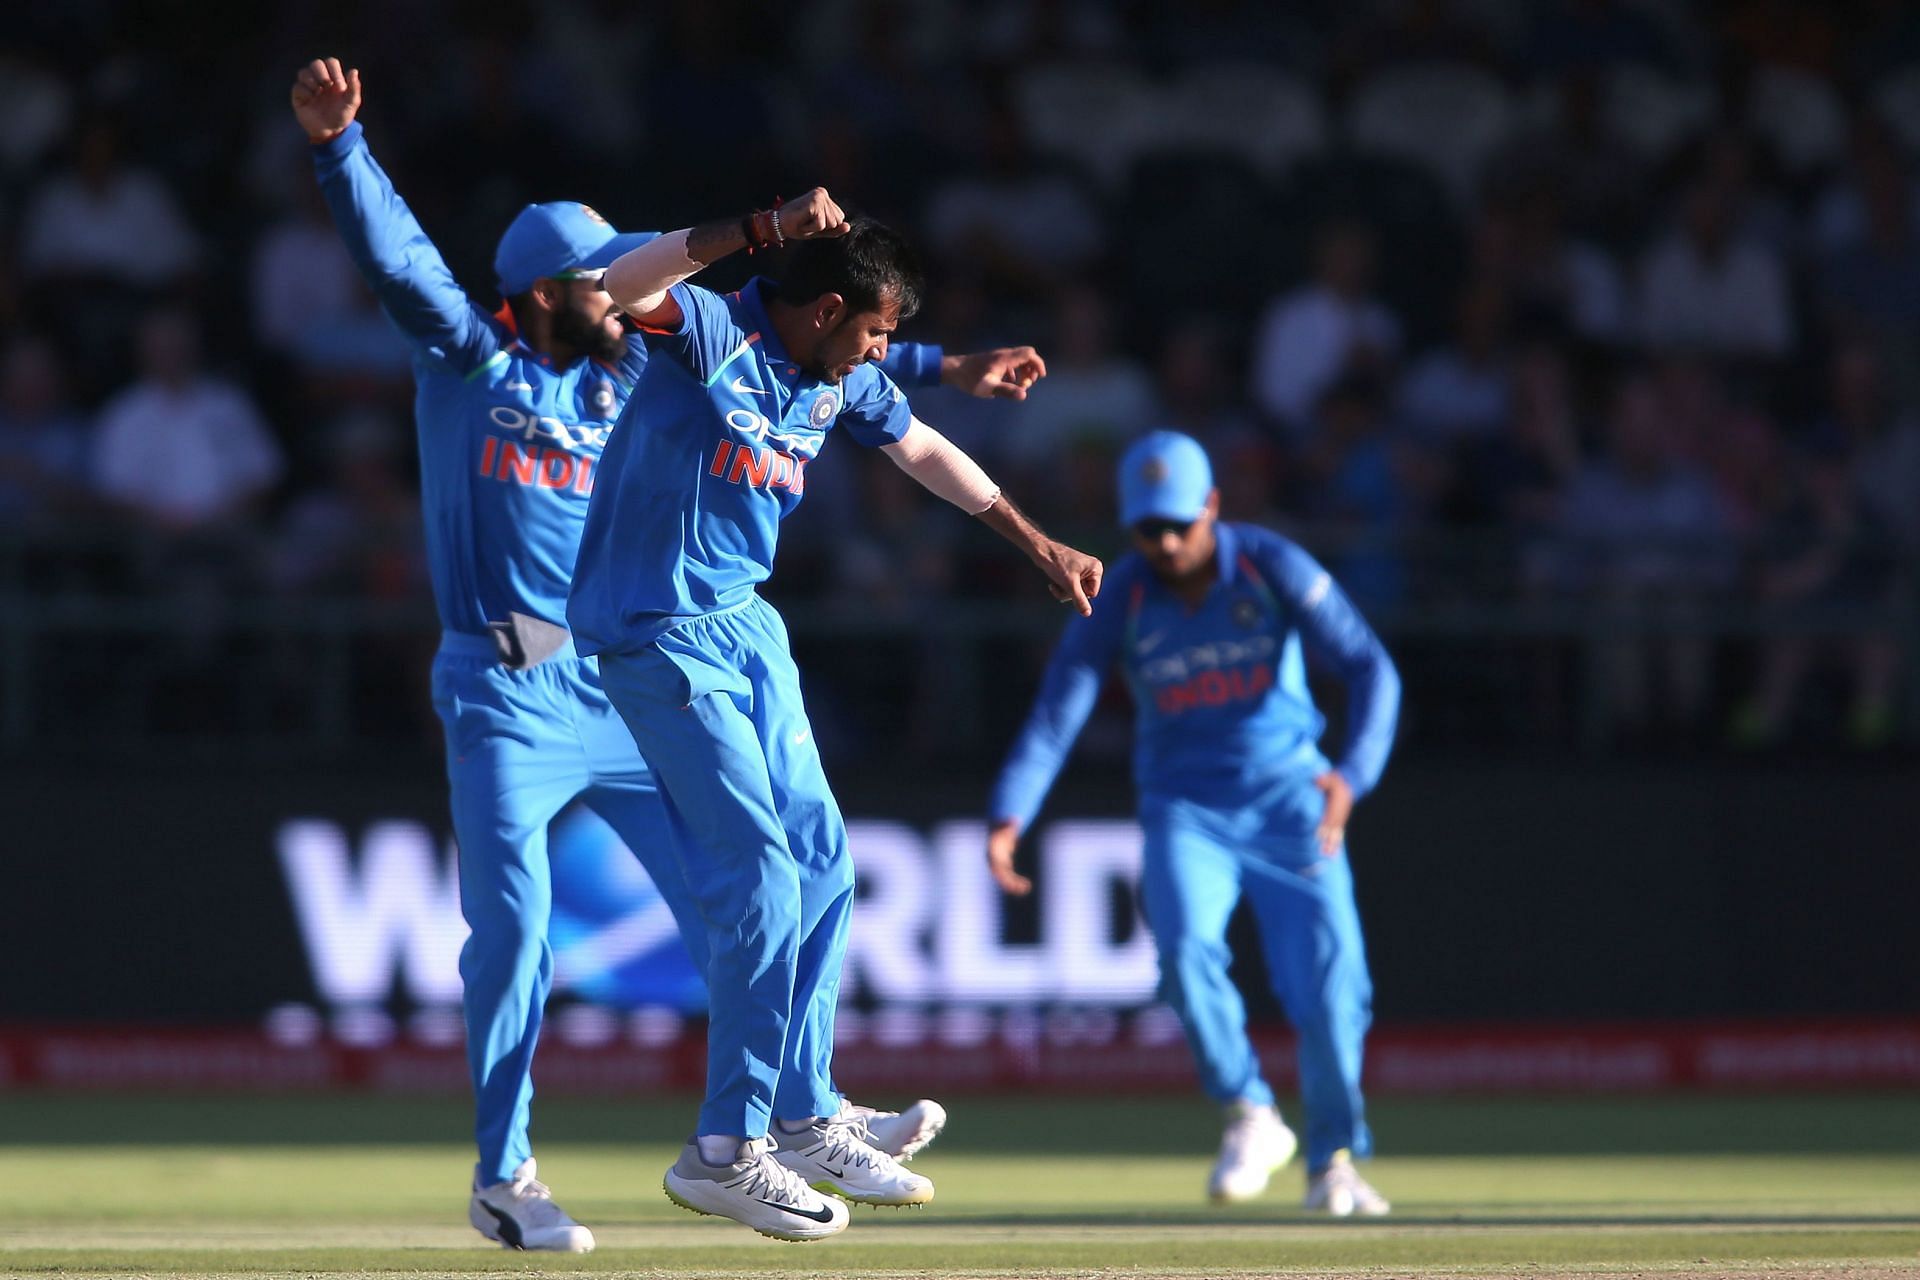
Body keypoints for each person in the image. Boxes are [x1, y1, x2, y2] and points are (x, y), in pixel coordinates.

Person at [291, 58, 1043, 1252]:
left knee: (751, 894)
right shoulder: (472, 358)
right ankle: (510, 1173)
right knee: (520, 930)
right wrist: (342, 150)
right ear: (542, 294)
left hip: (622, 668)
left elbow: (816, 361)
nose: (602, 301)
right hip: (506, 681)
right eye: (585, 286)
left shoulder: (639, 366)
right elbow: (399, 261)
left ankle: (793, 1109)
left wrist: (944, 366)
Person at [568, 197, 1103, 1241]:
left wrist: (1037, 543)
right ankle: (724, 1151)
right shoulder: (716, 334)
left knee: (824, 867)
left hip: (745, 628)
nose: (879, 355)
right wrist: (756, 225)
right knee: (761, 877)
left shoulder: (836, 371)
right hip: (657, 632)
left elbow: (923, 449)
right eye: (873, 334)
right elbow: (615, 289)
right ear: (819, 312)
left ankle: (805, 1112)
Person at [986, 430, 1401, 1215]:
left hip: (1293, 804)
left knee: (1329, 986)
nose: (1167, 542)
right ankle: (1250, 1112)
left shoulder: (1271, 566)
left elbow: (1369, 666)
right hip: (1186, 807)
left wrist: (1351, 778)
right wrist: (1010, 813)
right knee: (1181, 954)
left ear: (1212, 505)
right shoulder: (1126, 593)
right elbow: (1058, 709)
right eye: (1149, 529)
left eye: (1180, 522)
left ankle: (1335, 1160)